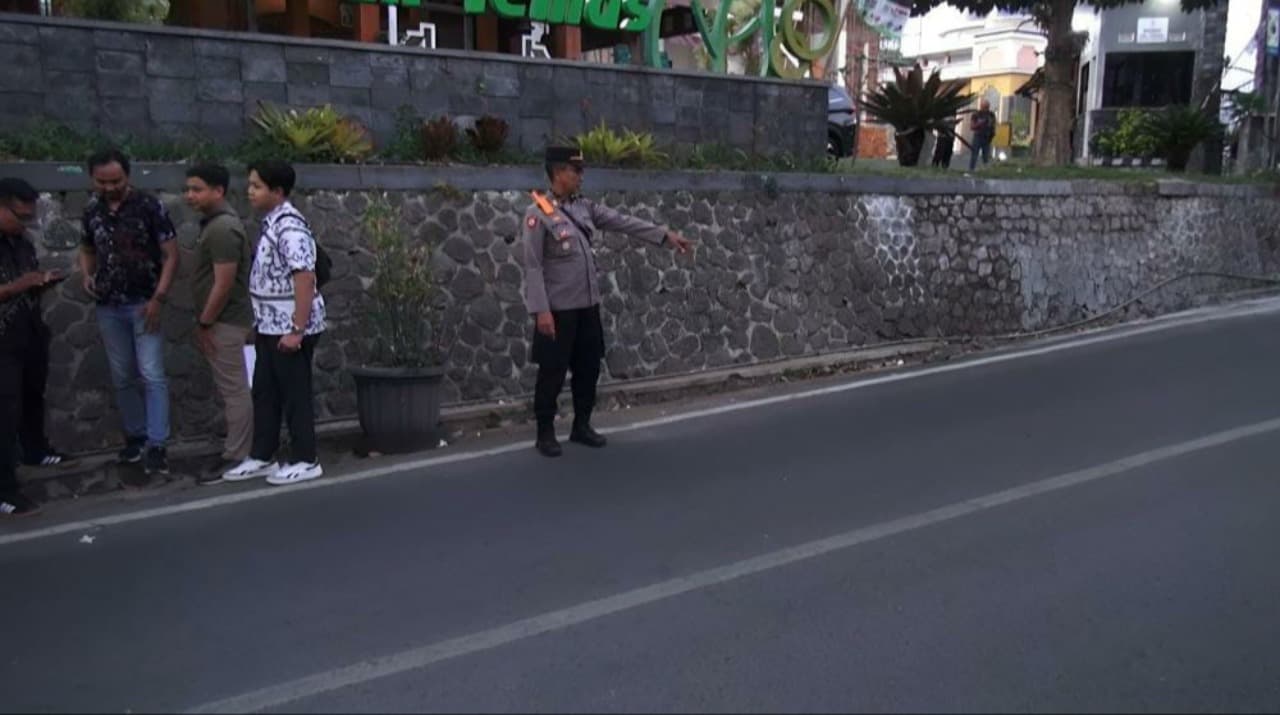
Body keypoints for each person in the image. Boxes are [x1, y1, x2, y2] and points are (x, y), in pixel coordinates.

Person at [521, 146, 693, 458]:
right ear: (559, 172)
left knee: (588, 368)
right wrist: (541, 310)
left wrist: (664, 235)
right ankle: (544, 432)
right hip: (558, 310)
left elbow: (621, 221)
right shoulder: (538, 213)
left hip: (587, 305)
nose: (581, 176)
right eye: (576, 171)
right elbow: (533, 265)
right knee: (552, 372)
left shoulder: (583, 208)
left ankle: (581, 425)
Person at [222, 161, 326, 486]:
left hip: (289, 326)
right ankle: (262, 454)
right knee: (265, 392)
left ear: (277, 191)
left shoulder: (290, 227)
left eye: (257, 186)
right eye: (250, 184)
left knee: (295, 394)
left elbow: (305, 278)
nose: (250, 192)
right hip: (269, 324)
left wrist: (297, 329)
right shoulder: (272, 223)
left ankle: (306, 458)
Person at [79, 149, 178, 480]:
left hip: (143, 303)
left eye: (116, 180)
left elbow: (171, 255)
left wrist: (159, 298)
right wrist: (87, 274)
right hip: (109, 305)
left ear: (128, 176)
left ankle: (157, 443)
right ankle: (135, 437)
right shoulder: (91, 210)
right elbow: (87, 247)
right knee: (122, 375)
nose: (109, 187)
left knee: (151, 373)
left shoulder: (149, 207)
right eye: (102, 181)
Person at [0, 178, 69, 516]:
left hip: (28, 330)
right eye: (19, 215)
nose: (25, 223)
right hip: (2, 340)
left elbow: (28, 277)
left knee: (31, 395)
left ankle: (35, 450)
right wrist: (17, 286)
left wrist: (40, 282)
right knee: (4, 411)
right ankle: (5, 489)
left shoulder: (21, 243)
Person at [183, 163, 255, 485]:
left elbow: (223, 283)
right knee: (235, 389)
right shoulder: (216, 226)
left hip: (226, 323)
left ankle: (237, 455)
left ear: (219, 191)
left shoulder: (223, 229)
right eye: (188, 189)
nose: (190, 196)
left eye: (197, 189)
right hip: (225, 322)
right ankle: (239, 450)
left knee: (235, 390)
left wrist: (205, 321)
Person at [968, 99, 997, 172]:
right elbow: (972, 126)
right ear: (981, 106)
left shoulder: (991, 114)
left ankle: (985, 170)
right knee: (975, 154)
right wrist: (980, 123)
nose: (985, 109)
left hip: (987, 137)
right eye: (984, 107)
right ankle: (972, 169)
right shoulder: (976, 114)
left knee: (986, 155)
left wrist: (992, 133)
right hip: (978, 136)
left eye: (987, 107)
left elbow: (993, 125)